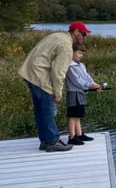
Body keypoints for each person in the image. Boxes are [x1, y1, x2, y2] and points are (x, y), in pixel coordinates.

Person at [19, 21, 91, 152]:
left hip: (29, 72)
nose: (84, 37)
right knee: (48, 109)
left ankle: (45, 142)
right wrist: (58, 92)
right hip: (39, 74)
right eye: (83, 34)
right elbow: (58, 72)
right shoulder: (66, 46)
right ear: (76, 32)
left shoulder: (58, 35)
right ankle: (52, 141)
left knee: (40, 110)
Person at [65, 41, 101, 145]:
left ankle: (79, 134)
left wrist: (95, 84)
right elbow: (77, 81)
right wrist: (91, 86)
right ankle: (72, 137)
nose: (81, 55)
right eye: (79, 53)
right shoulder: (70, 67)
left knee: (78, 115)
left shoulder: (81, 65)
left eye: (82, 53)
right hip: (73, 93)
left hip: (80, 93)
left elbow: (87, 77)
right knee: (72, 115)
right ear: (71, 52)